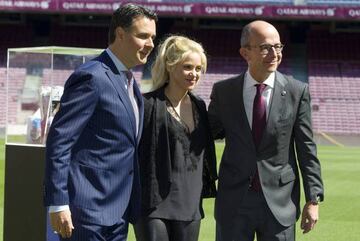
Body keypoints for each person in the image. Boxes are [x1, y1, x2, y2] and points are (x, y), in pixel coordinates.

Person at [43, 4, 157, 240]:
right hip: (87, 212)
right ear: (120, 34)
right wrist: (58, 203)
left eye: (153, 37)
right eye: (143, 36)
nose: (150, 44)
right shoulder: (92, 76)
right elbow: (60, 141)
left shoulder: (131, 84)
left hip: (118, 212)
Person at [208, 20, 324, 241]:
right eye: (265, 47)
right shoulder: (224, 92)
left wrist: (313, 200)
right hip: (234, 201)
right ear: (245, 53)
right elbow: (205, 136)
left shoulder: (297, 92)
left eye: (278, 46)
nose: (274, 53)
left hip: (280, 203)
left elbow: (307, 148)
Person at [133, 35, 217, 241]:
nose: (194, 74)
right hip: (153, 204)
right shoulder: (147, 104)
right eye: (188, 67)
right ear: (170, 66)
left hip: (190, 204)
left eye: (199, 69)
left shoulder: (200, 106)